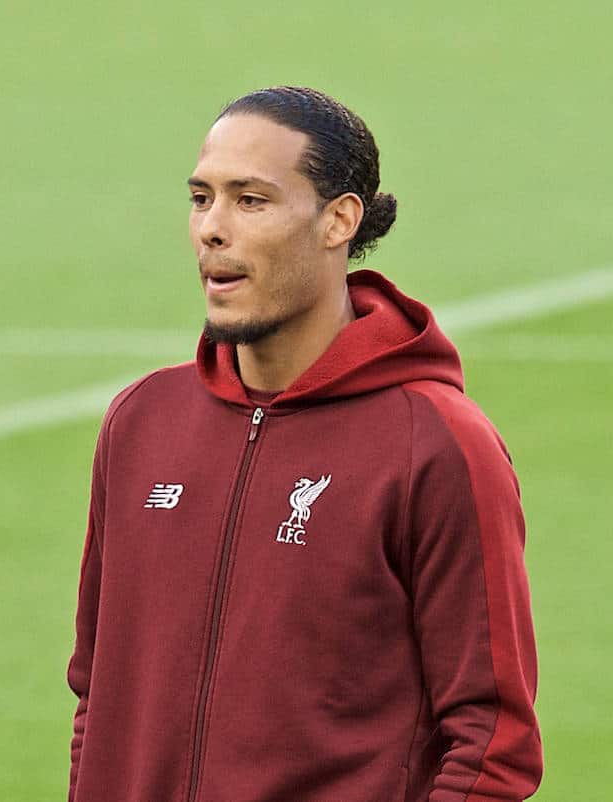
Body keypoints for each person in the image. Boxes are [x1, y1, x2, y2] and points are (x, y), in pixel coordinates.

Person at [66, 86, 542, 802]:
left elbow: (491, 742)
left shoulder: (435, 444)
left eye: (250, 200)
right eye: (202, 198)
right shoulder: (141, 422)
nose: (211, 230)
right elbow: (97, 694)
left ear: (337, 221)